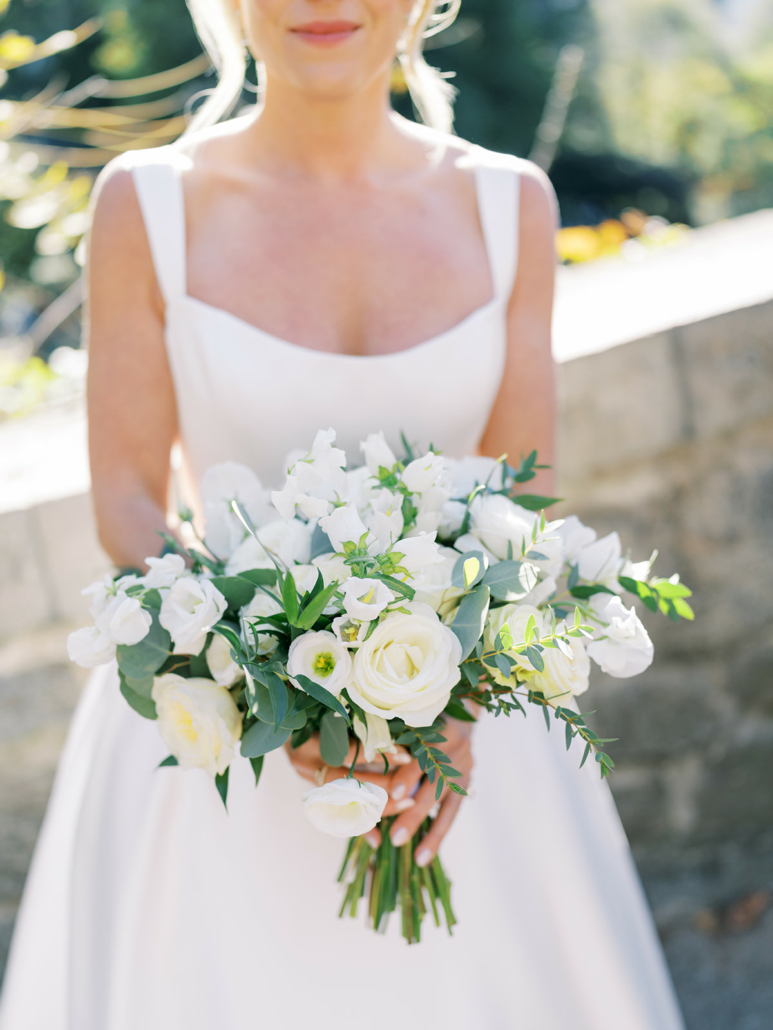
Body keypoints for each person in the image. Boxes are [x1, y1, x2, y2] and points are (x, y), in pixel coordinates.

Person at [0, 2, 686, 1028]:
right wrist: (269, 687)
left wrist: (443, 709)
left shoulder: (509, 206)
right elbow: (129, 499)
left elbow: (515, 496)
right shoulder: (146, 206)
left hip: (463, 740)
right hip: (217, 741)